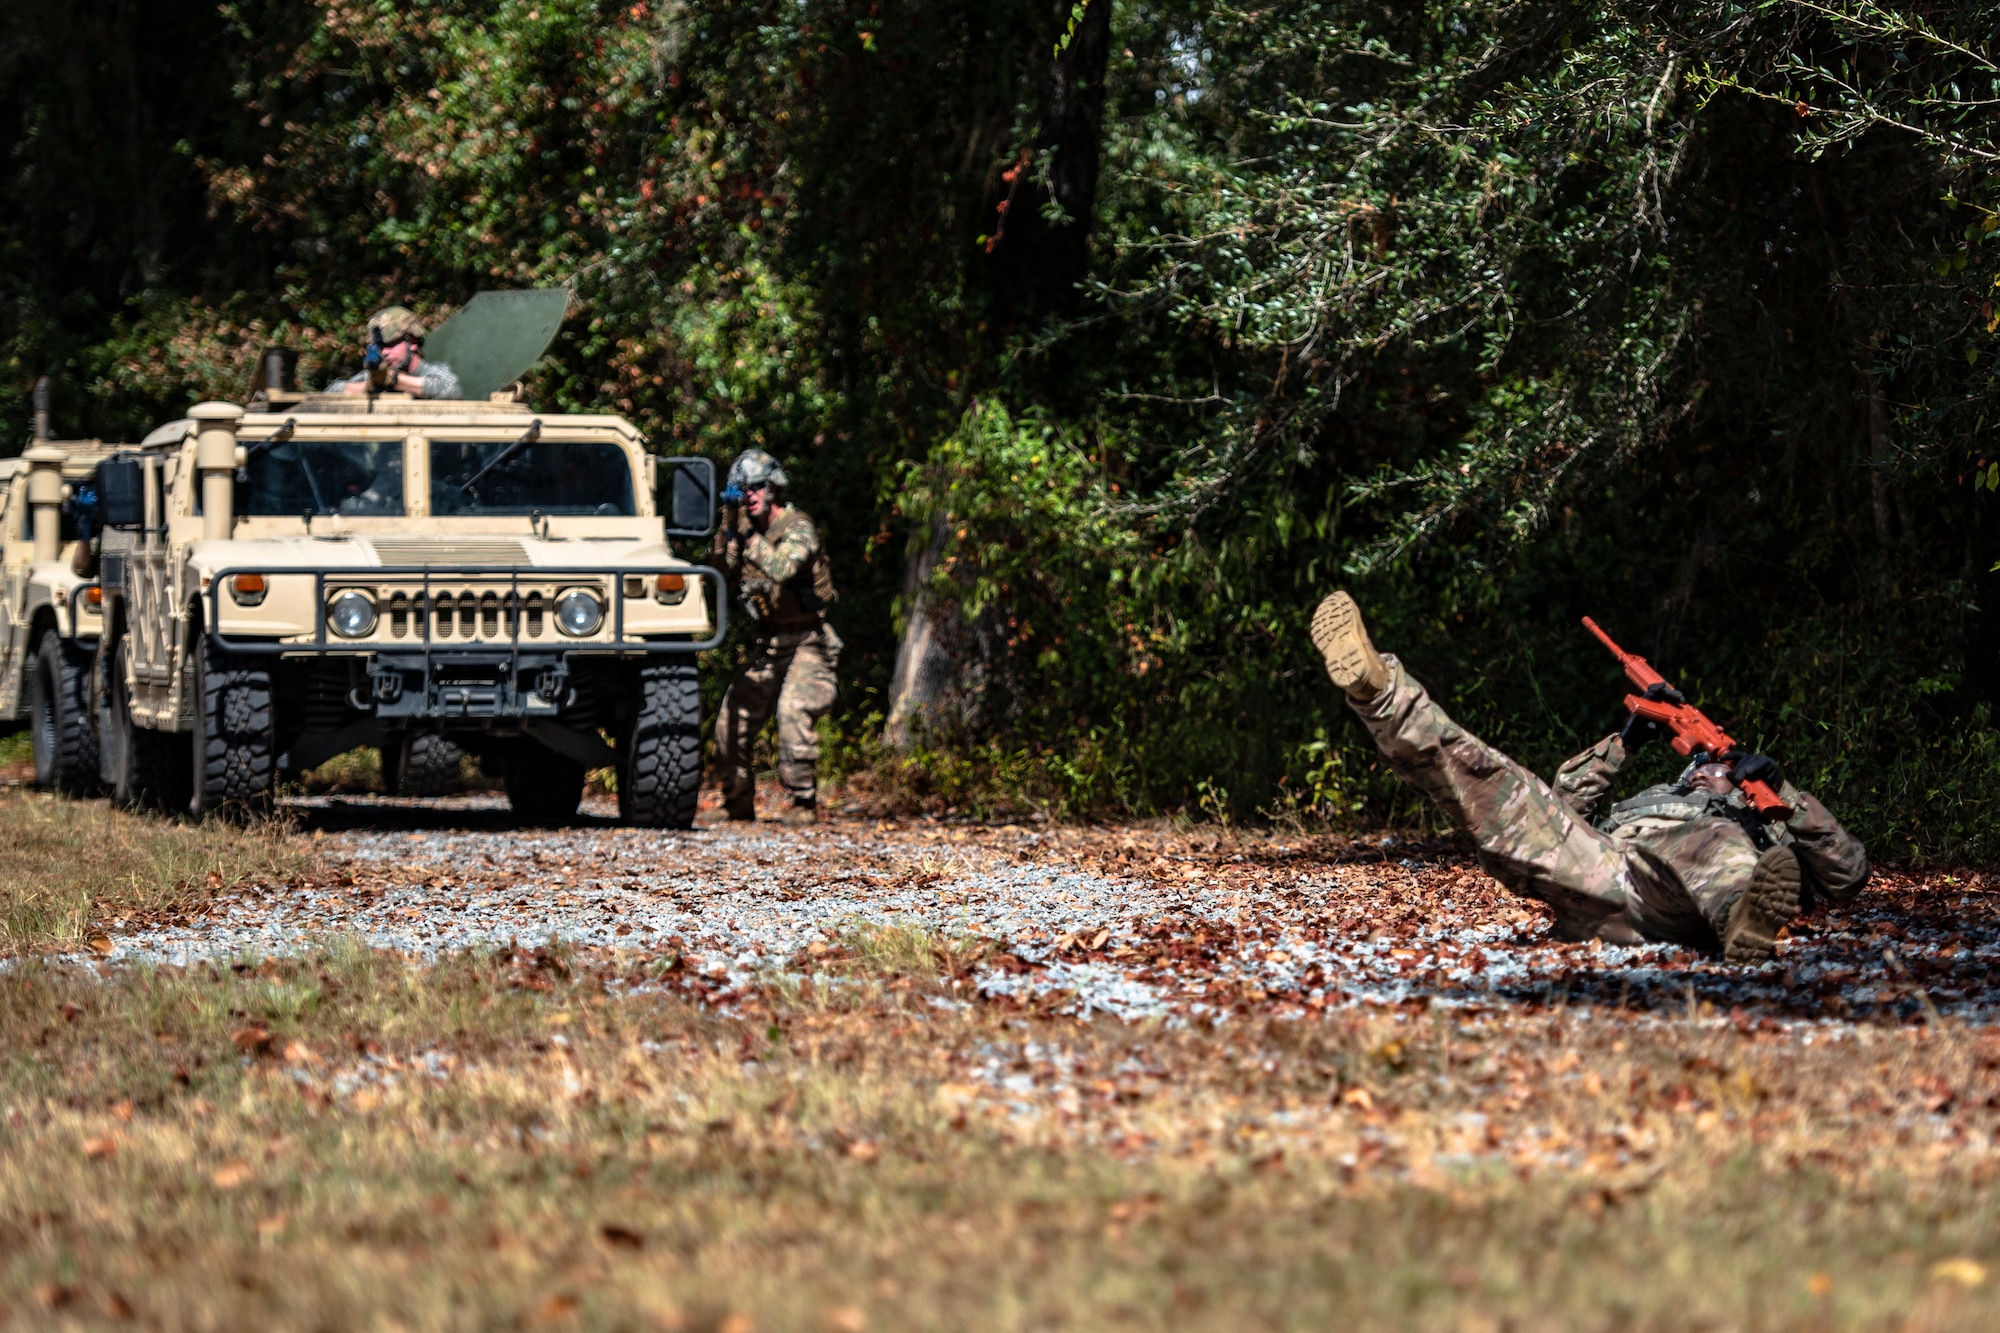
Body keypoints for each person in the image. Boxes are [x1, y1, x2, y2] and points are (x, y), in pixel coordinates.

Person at [1309, 591, 1870, 962]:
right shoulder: (1659, 798)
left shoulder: (1755, 818)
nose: (1701, 774)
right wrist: (1624, 741)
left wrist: (1787, 797)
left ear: (1739, 774)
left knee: (1715, 839)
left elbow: (1847, 874)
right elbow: (1563, 807)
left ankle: (1742, 921)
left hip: (1673, 900)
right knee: (1506, 790)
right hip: (1601, 874)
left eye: (1717, 769)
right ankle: (1381, 694)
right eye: (1696, 767)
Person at [712, 449, 841, 825]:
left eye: (754, 489)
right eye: (741, 491)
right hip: (769, 644)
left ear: (772, 490)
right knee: (730, 719)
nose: (748, 496)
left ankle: (803, 803)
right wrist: (727, 530)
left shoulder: (798, 527)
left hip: (809, 643)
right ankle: (736, 802)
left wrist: (748, 534)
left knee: (792, 711)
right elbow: (719, 569)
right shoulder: (744, 531)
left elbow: (782, 568)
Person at [338, 306, 462, 400]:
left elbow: (453, 389)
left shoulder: (434, 372)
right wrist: (368, 387)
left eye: (391, 344)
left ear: (413, 342)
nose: (385, 352)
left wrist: (394, 380)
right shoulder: (374, 375)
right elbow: (333, 391)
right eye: (380, 346)